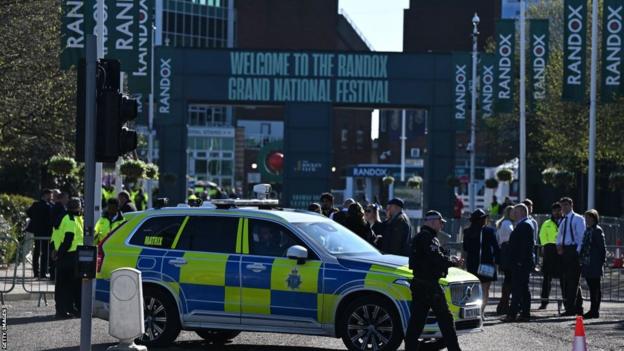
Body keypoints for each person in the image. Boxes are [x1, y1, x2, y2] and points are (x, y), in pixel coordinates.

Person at [405, 210, 462, 351]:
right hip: (429, 286)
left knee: (416, 322)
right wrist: (452, 262)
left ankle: (410, 348)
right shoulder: (427, 237)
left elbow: (434, 256)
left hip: (420, 284)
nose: (442, 225)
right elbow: (435, 258)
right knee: (446, 320)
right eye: (440, 222)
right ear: (432, 221)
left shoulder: (423, 237)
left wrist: (448, 259)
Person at [462, 209, 500, 317]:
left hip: (472, 264)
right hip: (487, 264)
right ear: (483, 219)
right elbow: (496, 247)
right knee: (485, 290)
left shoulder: (467, 232)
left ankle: (474, 311)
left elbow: (465, 249)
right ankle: (481, 312)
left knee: (474, 289)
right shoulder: (489, 231)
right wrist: (498, 261)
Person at [51, 198, 84, 319]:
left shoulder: (67, 217)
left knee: (65, 285)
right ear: (77, 207)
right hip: (69, 255)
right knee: (66, 285)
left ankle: (66, 310)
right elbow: (68, 239)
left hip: (67, 255)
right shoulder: (70, 219)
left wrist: (56, 251)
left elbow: (55, 234)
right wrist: (60, 253)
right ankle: (63, 311)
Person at [504, 204, 535, 322]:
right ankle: (524, 313)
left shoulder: (525, 225)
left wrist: (520, 262)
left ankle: (513, 314)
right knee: (523, 288)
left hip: (521, 263)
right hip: (521, 262)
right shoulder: (524, 224)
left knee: (518, 288)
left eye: (516, 212)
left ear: (522, 212)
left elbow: (525, 246)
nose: (513, 214)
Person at [556, 197, 586, 316]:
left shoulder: (578, 219)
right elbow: (560, 235)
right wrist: (558, 246)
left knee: (572, 281)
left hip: (573, 251)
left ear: (571, 205)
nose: (564, 208)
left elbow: (581, 237)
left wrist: (577, 252)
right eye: (562, 205)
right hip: (565, 251)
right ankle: (577, 307)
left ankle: (570, 308)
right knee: (568, 281)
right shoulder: (563, 221)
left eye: (566, 205)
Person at [579, 209, 606, 319]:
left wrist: (601, 262)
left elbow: (602, 248)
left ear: (594, 218)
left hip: (594, 263)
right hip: (588, 262)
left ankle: (595, 310)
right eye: (586, 218)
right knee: (592, 287)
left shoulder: (597, 230)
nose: (587, 220)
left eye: (589, 218)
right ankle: (593, 309)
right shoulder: (587, 230)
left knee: (595, 288)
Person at [538, 202, 563, 309]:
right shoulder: (547, 223)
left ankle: (567, 302)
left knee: (564, 279)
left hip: (562, 251)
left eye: (558, 210)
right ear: (552, 212)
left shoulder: (565, 221)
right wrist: (545, 245)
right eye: (555, 210)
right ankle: (544, 302)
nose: (557, 212)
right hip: (549, 251)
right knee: (546, 279)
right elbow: (542, 235)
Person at [26, 189, 53, 279]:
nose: (51, 197)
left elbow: (28, 212)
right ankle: (42, 273)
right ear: (46, 195)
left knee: (37, 252)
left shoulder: (35, 204)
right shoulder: (48, 206)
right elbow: (50, 219)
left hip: (37, 231)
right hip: (46, 232)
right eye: (50, 195)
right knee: (44, 253)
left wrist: (35, 219)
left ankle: (35, 272)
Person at [495, 206, 515, 315]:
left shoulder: (504, 223)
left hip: (504, 251)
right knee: (509, 280)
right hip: (508, 251)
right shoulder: (507, 224)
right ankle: (503, 305)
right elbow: (512, 236)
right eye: (513, 212)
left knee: (508, 279)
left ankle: (503, 305)